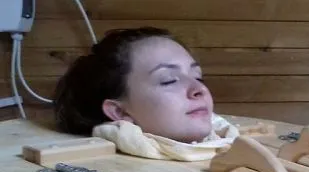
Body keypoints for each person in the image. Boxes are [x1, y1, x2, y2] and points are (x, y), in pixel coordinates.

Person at [53, 27, 239, 161]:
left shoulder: (228, 137)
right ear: (120, 112)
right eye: (169, 80)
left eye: (198, 77)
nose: (199, 89)